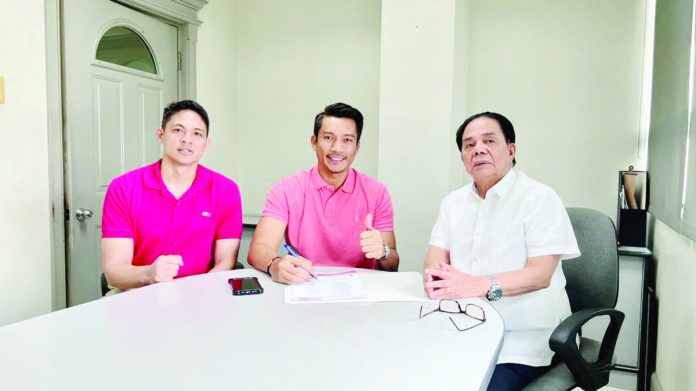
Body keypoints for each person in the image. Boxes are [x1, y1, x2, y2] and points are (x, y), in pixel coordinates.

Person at [422, 112, 580, 390]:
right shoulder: (453, 203)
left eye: (489, 141)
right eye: (469, 145)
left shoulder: (539, 199)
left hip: (522, 340)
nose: (478, 149)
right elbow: (436, 259)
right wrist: (435, 277)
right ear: (462, 157)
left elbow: (540, 275)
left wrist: (477, 285)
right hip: (463, 327)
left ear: (510, 149)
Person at [248, 102, 399, 284]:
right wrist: (275, 264)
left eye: (347, 140)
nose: (337, 148)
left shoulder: (377, 192)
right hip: (304, 285)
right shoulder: (286, 189)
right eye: (328, 138)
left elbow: (393, 265)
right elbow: (259, 249)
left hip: (360, 294)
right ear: (314, 142)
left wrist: (383, 252)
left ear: (357, 147)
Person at [101, 100, 243, 293]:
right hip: (138, 292)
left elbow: (226, 262)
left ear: (206, 143)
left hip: (203, 291)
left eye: (197, 133)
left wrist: (198, 295)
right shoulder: (123, 188)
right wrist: (149, 274)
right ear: (161, 135)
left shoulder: (226, 190)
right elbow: (114, 271)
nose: (187, 139)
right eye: (178, 130)